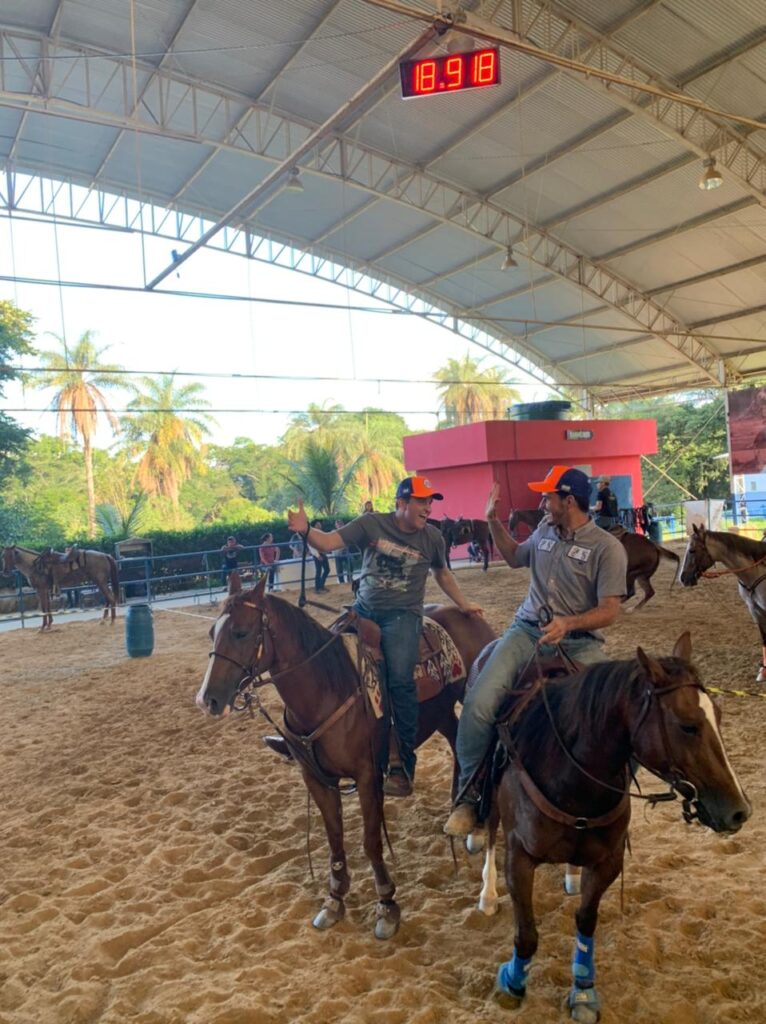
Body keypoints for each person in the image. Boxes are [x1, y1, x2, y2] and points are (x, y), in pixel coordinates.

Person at [444, 466, 627, 838]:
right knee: (477, 705)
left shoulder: (607, 548)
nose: (542, 503)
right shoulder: (544, 530)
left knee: (621, 711)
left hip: (581, 642)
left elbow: (610, 610)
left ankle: (613, 803)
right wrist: (492, 520)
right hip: (526, 632)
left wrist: (568, 623)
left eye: (548, 497)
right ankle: (469, 796)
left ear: (569, 501)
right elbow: (515, 556)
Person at [287, 476, 483, 798]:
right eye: (421, 501)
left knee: (400, 681)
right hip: (361, 610)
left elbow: (442, 573)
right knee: (322, 657)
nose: (428, 507)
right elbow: (329, 542)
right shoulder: (371, 524)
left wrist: (463, 604)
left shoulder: (432, 537)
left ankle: (402, 763)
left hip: (402, 617)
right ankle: (302, 736)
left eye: (430, 501)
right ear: (401, 503)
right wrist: (306, 530)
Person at [309, 520, 331, 593]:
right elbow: (311, 546)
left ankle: (321, 586)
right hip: (318, 554)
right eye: (318, 524)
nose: (319, 525)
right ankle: (318, 588)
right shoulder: (312, 534)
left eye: (319, 524)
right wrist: (317, 555)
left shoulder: (320, 533)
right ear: (314, 526)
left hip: (322, 553)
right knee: (319, 571)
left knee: (326, 570)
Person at [333, 519, 352, 583]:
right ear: (336, 526)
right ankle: (341, 582)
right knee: (339, 569)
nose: (339, 526)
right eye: (338, 525)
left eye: (340, 524)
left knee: (350, 564)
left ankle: (349, 579)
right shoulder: (333, 533)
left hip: (346, 552)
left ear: (343, 525)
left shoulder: (346, 532)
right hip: (337, 553)